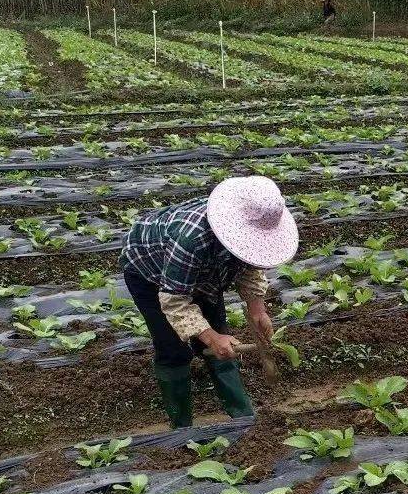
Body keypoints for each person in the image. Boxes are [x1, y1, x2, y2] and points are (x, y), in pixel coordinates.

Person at [120, 176, 299, 428]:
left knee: (222, 337)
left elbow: (249, 264)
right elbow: (174, 301)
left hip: (205, 273)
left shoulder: (248, 231)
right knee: (173, 347)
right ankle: (181, 427)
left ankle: (243, 417)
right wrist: (210, 338)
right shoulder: (192, 238)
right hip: (150, 271)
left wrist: (257, 308)